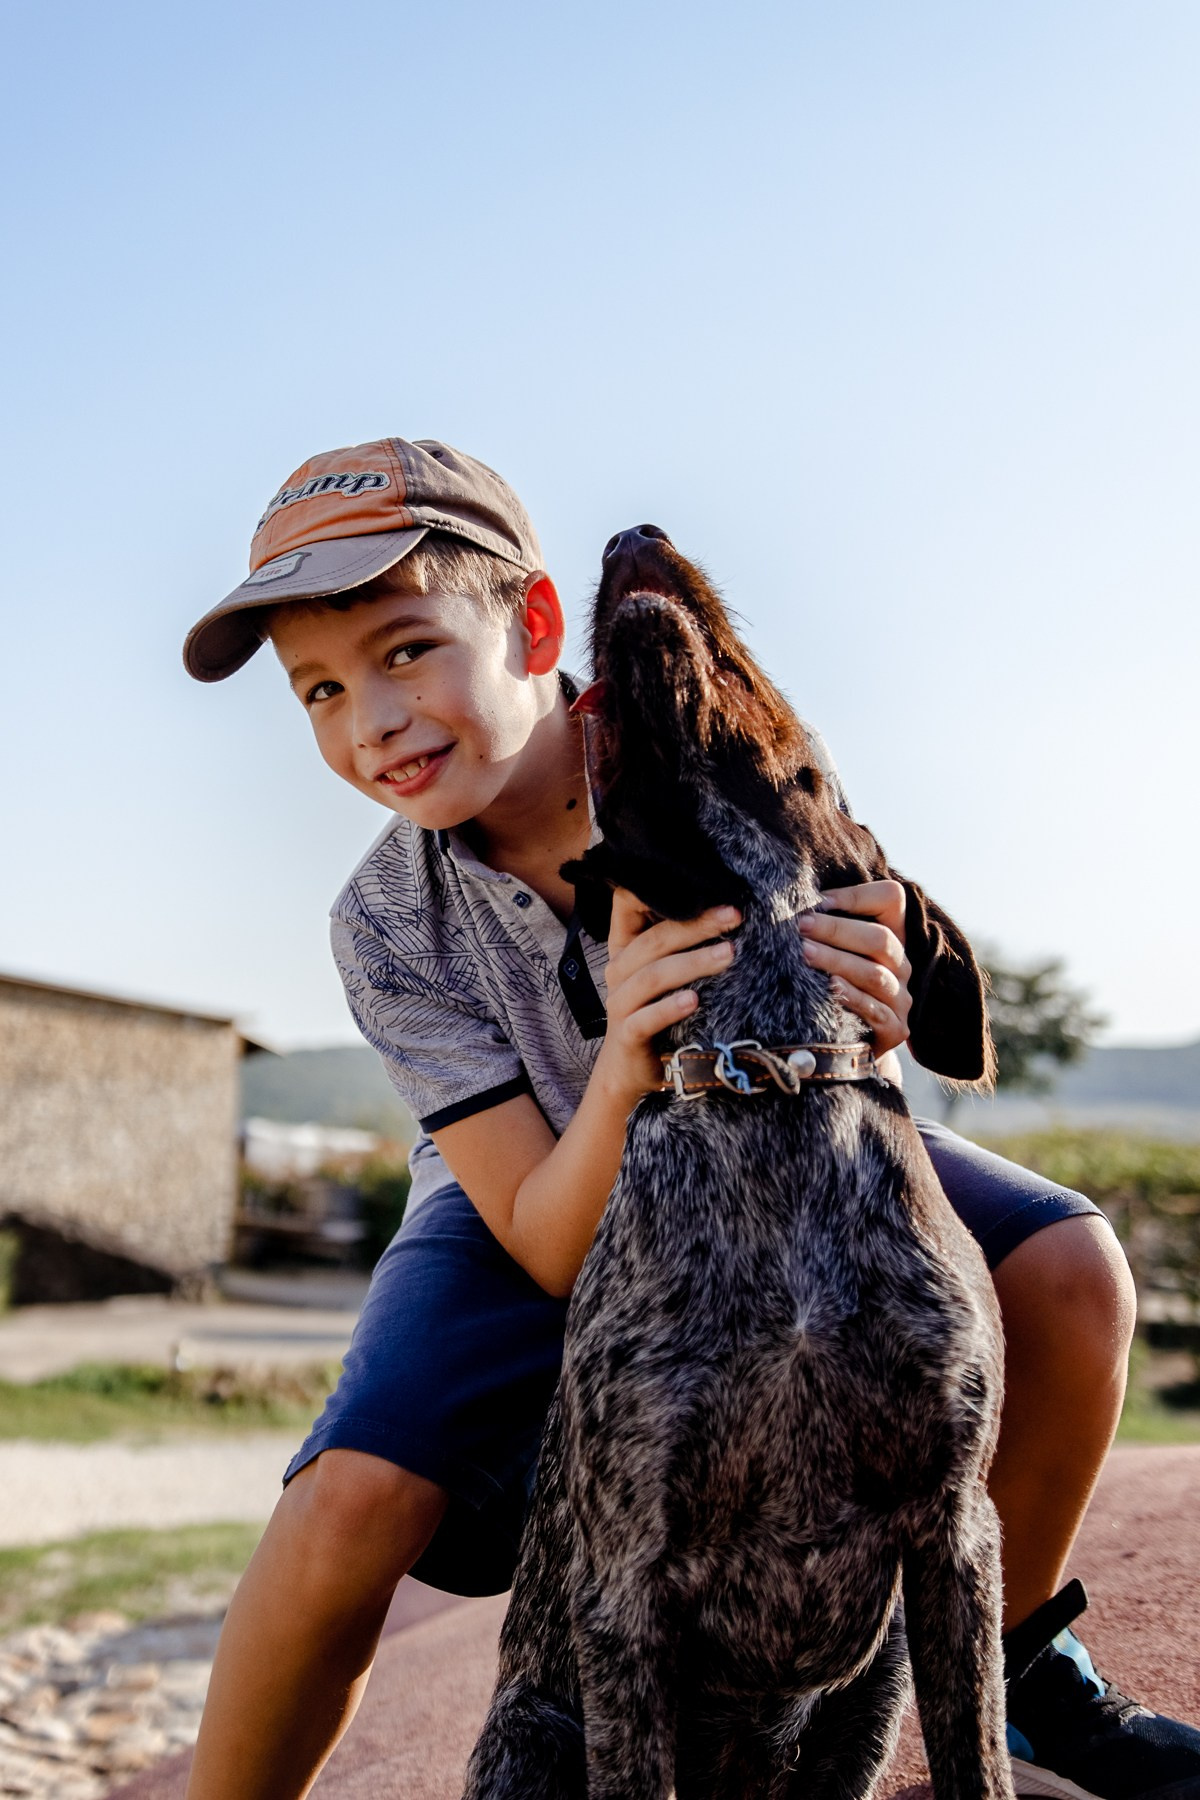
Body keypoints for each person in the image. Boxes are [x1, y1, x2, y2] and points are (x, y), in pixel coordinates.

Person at [181, 436, 1200, 1800]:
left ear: (538, 624)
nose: (372, 718)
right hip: (535, 1170)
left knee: (1072, 1270)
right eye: (319, 689)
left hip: (779, 1123)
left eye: (407, 649)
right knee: (350, 1501)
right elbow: (550, 1249)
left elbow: (881, 914)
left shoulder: (700, 738)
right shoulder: (385, 923)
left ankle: (1015, 1670)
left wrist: (885, 976)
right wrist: (622, 1068)